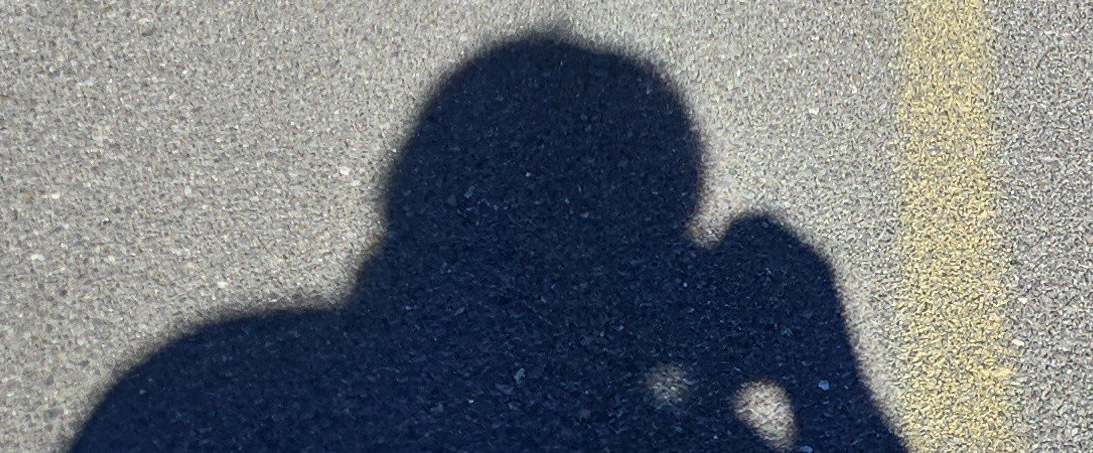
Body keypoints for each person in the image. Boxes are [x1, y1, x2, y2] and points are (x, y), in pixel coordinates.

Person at [71, 32, 906, 452]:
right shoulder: (675, 442)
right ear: (656, 270)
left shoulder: (204, 394)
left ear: (410, 194)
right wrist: (826, 388)